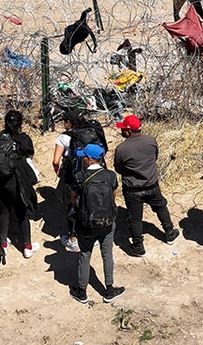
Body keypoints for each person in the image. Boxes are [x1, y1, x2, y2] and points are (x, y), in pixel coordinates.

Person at [112, 114, 179, 257]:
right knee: (161, 207)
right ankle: (170, 232)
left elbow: (118, 168)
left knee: (135, 218)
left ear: (129, 132)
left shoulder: (122, 149)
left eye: (123, 129)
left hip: (132, 189)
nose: (121, 131)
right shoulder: (151, 141)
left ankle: (138, 246)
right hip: (152, 184)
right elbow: (155, 157)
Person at [70, 144, 124, 304]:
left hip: (86, 223)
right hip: (107, 222)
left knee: (85, 255)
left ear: (88, 159)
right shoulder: (111, 176)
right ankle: (109, 289)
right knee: (107, 254)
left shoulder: (80, 177)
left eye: (84, 156)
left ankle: (82, 292)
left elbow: (73, 199)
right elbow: (114, 197)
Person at [0, 110, 39, 259]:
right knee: (21, 212)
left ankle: (3, 243)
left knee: (3, 210)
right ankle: (27, 246)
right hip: (15, 180)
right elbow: (29, 155)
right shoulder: (23, 139)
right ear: (21, 123)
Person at [53, 111, 107, 253]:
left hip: (74, 175)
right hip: (95, 173)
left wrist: (58, 172)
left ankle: (73, 239)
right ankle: (92, 235)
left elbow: (55, 161)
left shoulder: (64, 137)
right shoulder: (92, 131)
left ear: (69, 122)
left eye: (64, 121)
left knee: (73, 206)